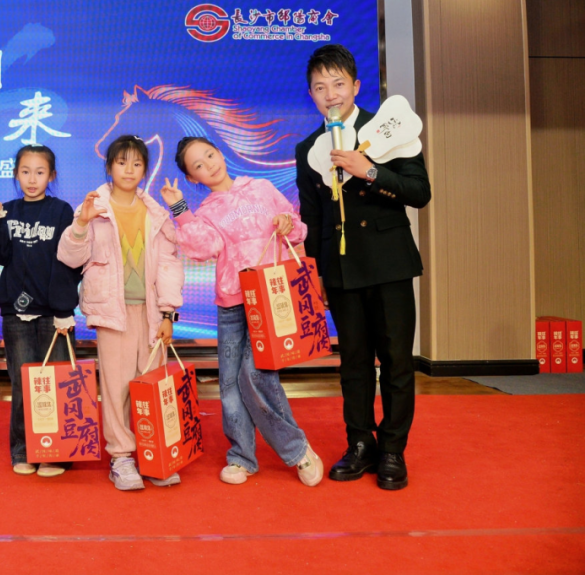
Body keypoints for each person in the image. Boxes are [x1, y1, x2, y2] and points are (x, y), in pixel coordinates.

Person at [296, 44, 431, 491]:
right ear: (311, 95)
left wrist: (368, 170)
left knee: (396, 362)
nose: (330, 94)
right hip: (340, 270)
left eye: (338, 84)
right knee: (353, 363)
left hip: (389, 263)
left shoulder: (389, 128)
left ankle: (392, 449)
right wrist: (316, 273)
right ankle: (360, 443)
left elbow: (419, 192)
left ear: (355, 86)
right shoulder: (308, 149)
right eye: (320, 87)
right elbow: (313, 218)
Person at [160, 137, 324, 488]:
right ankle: (242, 456)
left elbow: (298, 229)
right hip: (233, 301)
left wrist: (287, 222)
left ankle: (297, 449)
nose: (208, 164)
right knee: (230, 383)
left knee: (255, 374)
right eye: (198, 165)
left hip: (270, 296)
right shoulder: (206, 210)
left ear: (220, 153)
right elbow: (201, 248)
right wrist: (180, 208)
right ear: (192, 178)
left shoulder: (261, 188)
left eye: (209, 155)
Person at [58, 134, 183, 491]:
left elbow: (169, 266)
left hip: (151, 314)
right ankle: (122, 457)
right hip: (112, 313)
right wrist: (81, 224)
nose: (129, 169)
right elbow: (69, 257)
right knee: (116, 387)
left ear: (145, 170)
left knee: (152, 385)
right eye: (122, 162)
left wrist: (168, 314)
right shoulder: (93, 208)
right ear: (109, 166)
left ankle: (155, 454)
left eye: (137, 163)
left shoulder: (156, 212)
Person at [0, 144, 82, 478]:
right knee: (23, 385)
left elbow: (70, 263)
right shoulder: (7, 211)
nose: (32, 179)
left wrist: (65, 310)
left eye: (40, 172)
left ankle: (57, 453)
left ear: (51, 176)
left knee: (58, 383)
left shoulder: (61, 211)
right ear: (15, 174)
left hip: (55, 315)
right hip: (15, 314)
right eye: (25, 172)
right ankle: (24, 450)